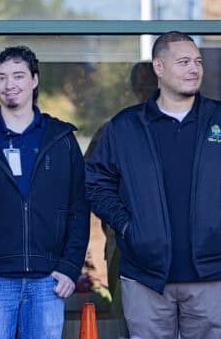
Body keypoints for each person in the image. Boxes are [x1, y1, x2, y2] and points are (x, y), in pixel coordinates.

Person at [0, 45, 89, 339]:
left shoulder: (61, 139)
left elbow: (78, 207)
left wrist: (70, 265)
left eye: (18, 76)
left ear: (35, 80)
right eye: (1, 77)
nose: (9, 85)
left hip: (48, 280)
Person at [86, 31, 221, 338]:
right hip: (145, 277)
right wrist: (126, 226)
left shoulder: (218, 120)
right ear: (159, 68)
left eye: (197, 61)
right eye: (183, 61)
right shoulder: (125, 127)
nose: (194, 69)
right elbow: (95, 183)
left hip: (213, 276)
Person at [83, 61, 157, 317]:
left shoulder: (188, 127)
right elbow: (89, 180)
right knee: (125, 312)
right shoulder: (115, 129)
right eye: (142, 84)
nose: (147, 89)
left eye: (151, 83)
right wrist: (121, 220)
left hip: (180, 243)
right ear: (134, 89)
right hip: (123, 237)